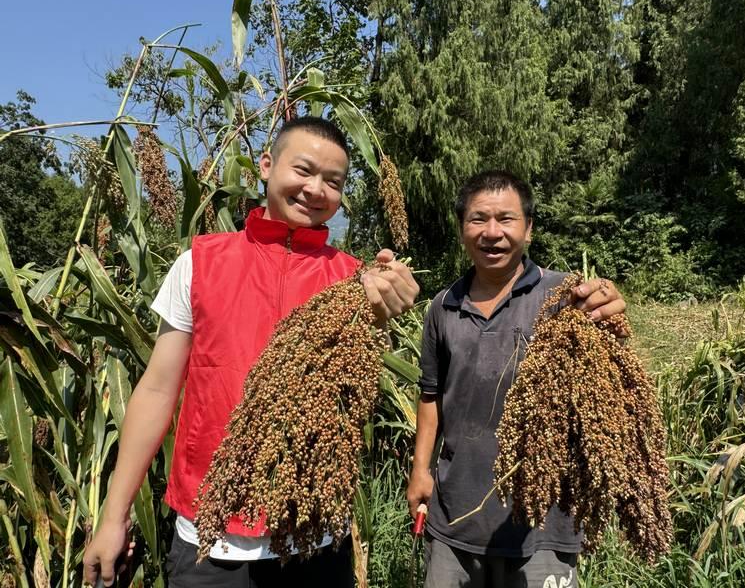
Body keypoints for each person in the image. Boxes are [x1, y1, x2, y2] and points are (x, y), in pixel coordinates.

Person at [83, 116, 419, 588]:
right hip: (212, 537)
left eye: (333, 182)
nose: (315, 189)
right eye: (303, 170)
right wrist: (114, 517)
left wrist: (380, 312)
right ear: (266, 165)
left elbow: (351, 399)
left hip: (315, 539)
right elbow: (157, 390)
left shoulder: (352, 280)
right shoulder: (199, 262)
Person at [406, 170, 627, 588]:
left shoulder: (563, 297)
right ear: (461, 230)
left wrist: (609, 310)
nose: (492, 232)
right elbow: (431, 394)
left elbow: (606, 343)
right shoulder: (442, 307)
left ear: (528, 229)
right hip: (455, 518)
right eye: (478, 219)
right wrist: (421, 469)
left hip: (543, 525)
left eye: (506, 219)